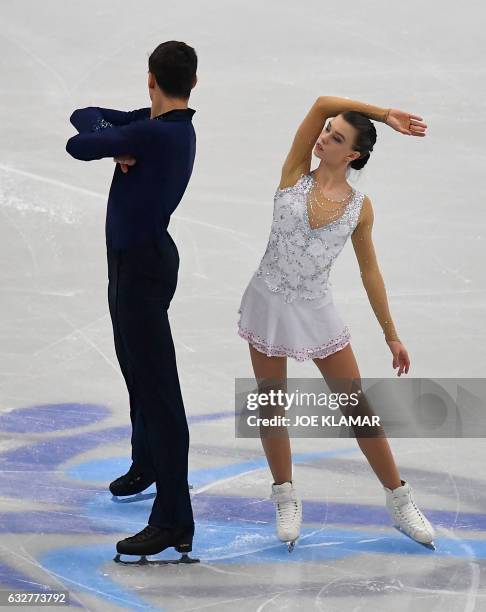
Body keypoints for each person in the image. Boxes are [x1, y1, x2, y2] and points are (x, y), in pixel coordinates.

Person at [237, 95, 436, 550]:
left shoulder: (359, 208)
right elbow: (323, 102)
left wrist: (392, 334)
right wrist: (386, 114)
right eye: (327, 131)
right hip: (267, 300)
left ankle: (399, 500)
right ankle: (285, 495)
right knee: (271, 404)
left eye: (337, 137)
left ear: (353, 156)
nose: (324, 138)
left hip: (316, 309)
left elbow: (370, 272)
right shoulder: (293, 174)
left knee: (356, 406)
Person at [66, 41, 199, 562]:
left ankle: (173, 520)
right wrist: (115, 138)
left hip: (141, 268)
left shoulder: (152, 133)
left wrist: (114, 140)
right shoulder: (155, 125)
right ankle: (145, 460)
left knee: (159, 392)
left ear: (150, 78)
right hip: (134, 263)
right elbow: (86, 117)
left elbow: (78, 143)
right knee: (136, 371)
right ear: (193, 82)